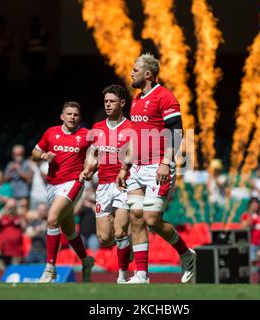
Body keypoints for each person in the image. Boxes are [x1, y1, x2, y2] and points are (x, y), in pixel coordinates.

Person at [116, 53, 196, 284]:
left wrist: (165, 162)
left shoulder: (165, 97)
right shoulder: (137, 99)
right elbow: (135, 137)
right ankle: (141, 275)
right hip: (137, 168)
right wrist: (124, 166)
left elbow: (177, 132)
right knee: (136, 218)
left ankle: (185, 253)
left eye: (135, 69)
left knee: (151, 219)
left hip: (157, 167)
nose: (131, 73)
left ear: (148, 74)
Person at [32, 101, 95, 283]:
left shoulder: (86, 135)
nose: (72, 117)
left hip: (74, 183)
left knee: (52, 219)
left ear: (80, 118)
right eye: (69, 114)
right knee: (68, 230)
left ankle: (50, 268)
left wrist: (90, 169)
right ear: (62, 116)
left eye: (75, 115)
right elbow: (34, 153)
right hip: (53, 185)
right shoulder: (51, 132)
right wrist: (43, 156)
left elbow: (99, 153)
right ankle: (86, 259)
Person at [80, 84, 133, 283]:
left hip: (124, 184)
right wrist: (87, 170)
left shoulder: (130, 127)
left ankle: (122, 276)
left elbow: (132, 154)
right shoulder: (98, 128)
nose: (108, 105)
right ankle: (127, 248)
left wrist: (124, 169)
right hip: (103, 186)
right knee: (104, 238)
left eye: (112, 101)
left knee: (120, 231)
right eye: (106, 102)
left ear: (122, 103)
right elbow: (92, 156)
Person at [0, 198, 26, 264]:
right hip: (4, 249)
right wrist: (4, 209)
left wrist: (19, 214)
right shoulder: (3, 217)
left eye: (13, 206)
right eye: (10, 206)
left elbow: (24, 227)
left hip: (16, 250)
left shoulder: (18, 217)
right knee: (4, 270)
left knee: (15, 270)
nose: (11, 208)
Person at [240, 198, 260, 264]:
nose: (255, 206)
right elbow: (243, 226)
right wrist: (250, 215)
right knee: (252, 263)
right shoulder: (246, 215)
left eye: (256, 204)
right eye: (253, 204)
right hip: (252, 244)